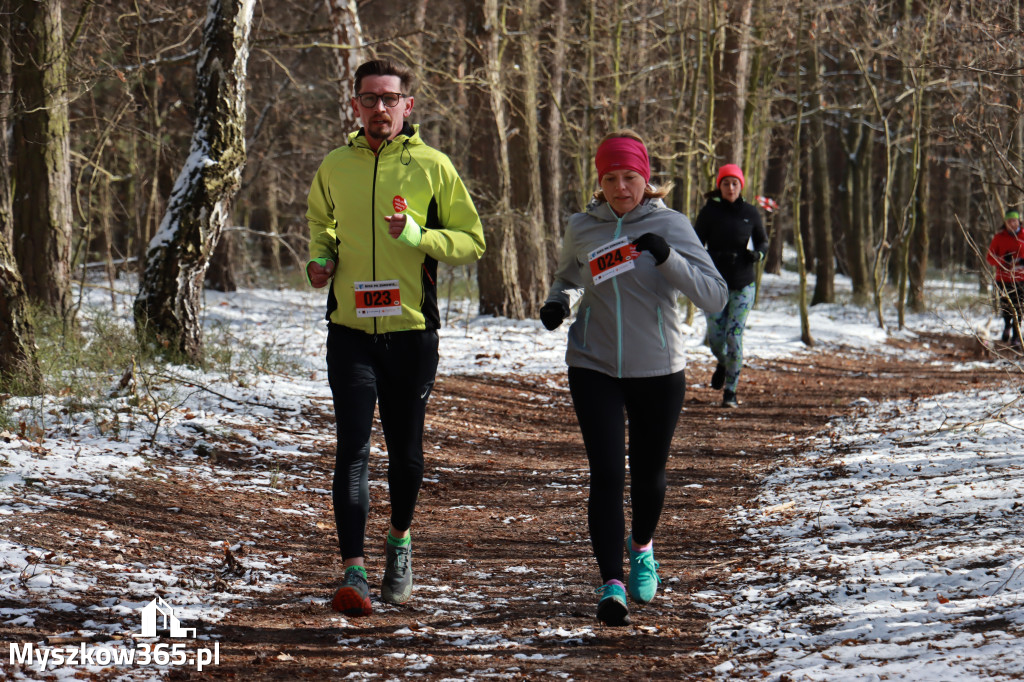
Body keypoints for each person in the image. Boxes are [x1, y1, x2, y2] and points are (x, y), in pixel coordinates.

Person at [306, 59, 486, 616]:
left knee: (406, 454)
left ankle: (400, 540)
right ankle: (354, 572)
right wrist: (320, 257)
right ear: (354, 105)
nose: (379, 108)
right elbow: (322, 225)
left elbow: (471, 241)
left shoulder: (433, 166)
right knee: (353, 449)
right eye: (369, 98)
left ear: (408, 105)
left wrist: (418, 234)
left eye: (389, 98)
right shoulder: (335, 167)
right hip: (351, 331)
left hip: (411, 332)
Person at [539, 130, 727, 626]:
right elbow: (568, 276)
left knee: (648, 477)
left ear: (646, 178)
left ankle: (641, 545)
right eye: (610, 178)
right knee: (605, 475)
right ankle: (612, 584)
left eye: (630, 177)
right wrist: (558, 302)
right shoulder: (583, 226)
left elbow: (715, 296)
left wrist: (666, 256)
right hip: (592, 364)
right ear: (599, 181)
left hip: (657, 369)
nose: (621, 187)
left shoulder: (672, 223)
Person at [693, 164, 769, 407]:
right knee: (716, 339)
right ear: (719, 186)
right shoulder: (709, 212)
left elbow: (763, 242)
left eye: (735, 183)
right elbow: (694, 244)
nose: (730, 187)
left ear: (741, 186)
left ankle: (731, 392)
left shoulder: (751, 212)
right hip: (714, 284)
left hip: (743, 283)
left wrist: (757, 255)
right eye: (726, 183)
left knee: (734, 336)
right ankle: (723, 362)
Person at [985, 208, 1024, 347]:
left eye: (1014, 221)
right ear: (1005, 223)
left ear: (1018, 220)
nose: (1012, 224)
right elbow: (989, 258)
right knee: (1007, 306)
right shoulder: (999, 238)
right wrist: (1003, 260)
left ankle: (1016, 335)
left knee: (1019, 308)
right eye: (1009, 222)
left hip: (1021, 279)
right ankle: (1007, 326)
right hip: (1003, 279)